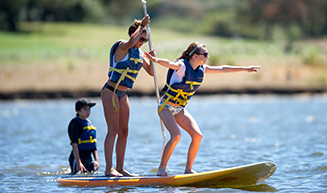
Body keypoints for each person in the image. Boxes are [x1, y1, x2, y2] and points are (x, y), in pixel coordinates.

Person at [144, 42, 260, 176]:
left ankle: (188, 170)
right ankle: (161, 169)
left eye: (207, 54)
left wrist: (245, 69)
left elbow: (223, 68)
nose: (207, 57)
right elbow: (170, 64)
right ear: (194, 56)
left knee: (198, 136)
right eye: (204, 54)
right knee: (176, 136)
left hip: (179, 109)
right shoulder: (182, 66)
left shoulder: (201, 69)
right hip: (165, 107)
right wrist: (155, 60)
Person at [101, 15, 154, 177]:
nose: (142, 43)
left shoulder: (138, 54)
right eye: (141, 39)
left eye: (145, 40)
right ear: (135, 34)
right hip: (110, 91)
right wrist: (142, 25)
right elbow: (131, 42)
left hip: (123, 94)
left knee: (124, 130)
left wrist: (151, 59)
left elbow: (151, 73)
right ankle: (109, 168)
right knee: (113, 130)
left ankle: (120, 168)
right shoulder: (123, 46)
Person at [68, 98, 99, 174]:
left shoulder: (89, 124)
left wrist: (96, 160)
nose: (88, 112)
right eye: (85, 109)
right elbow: (74, 144)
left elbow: (94, 146)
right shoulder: (76, 124)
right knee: (78, 174)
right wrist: (78, 162)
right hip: (77, 157)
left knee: (89, 174)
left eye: (89, 109)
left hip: (88, 157)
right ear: (78, 111)